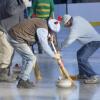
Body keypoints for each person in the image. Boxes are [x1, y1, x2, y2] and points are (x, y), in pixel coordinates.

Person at [7, 18, 60, 88]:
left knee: (26, 58)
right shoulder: (43, 29)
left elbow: (37, 33)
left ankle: (23, 77)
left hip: (16, 35)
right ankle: (23, 81)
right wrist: (53, 55)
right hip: (16, 37)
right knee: (31, 58)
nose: (53, 33)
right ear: (50, 28)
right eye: (52, 31)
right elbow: (44, 45)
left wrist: (47, 37)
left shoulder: (43, 22)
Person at [60, 14, 100, 84]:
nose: (66, 27)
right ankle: (83, 74)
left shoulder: (74, 28)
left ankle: (94, 76)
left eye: (65, 25)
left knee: (82, 58)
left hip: (94, 41)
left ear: (68, 22)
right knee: (79, 53)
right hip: (93, 39)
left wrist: (60, 47)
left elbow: (69, 40)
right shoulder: (77, 18)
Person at [0, 0, 26, 82]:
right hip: (4, 29)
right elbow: (11, 11)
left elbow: (19, 16)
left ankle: (6, 72)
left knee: (10, 52)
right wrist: (23, 5)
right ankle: (2, 74)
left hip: (11, 31)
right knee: (6, 52)